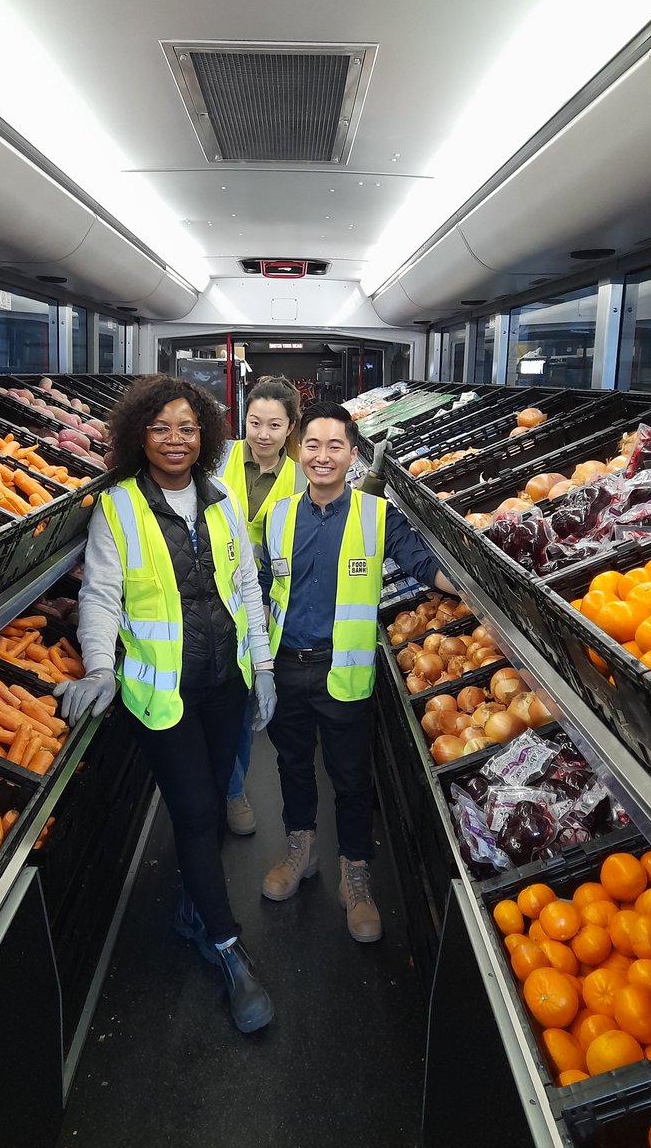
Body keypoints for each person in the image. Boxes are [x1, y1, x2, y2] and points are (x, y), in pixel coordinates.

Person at [55, 375, 275, 1034]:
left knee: (212, 804)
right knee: (197, 810)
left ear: (203, 434)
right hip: (162, 694)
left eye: (187, 427)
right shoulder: (118, 507)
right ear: (139, 436)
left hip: (225, 682)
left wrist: (262, 666)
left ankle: (192, 912)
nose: (175, 440)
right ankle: (229, 950)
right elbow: (100, 595)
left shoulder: (222, 501)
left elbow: (246, 585)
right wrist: (100, 666)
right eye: (160, 428)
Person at [258, 401, 456, 943]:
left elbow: (422, 563)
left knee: (350, 777)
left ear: (351, 454)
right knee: (292, 765)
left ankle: (356, 873)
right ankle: (300, 850)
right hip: (286, 665)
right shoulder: (278, 516)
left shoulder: (377, 515)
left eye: (335, 446)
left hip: (342, 672)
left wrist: (475, 585)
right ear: (299, 451)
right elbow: (262, 585)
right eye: (312, 445)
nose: (322, 456)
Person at [218, 376, 306, 835]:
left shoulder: (300, 476)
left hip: (266, 596)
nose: (263, 434)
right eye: (255, 422)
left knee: (244, 691)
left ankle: (233, 790)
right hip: (212, 585)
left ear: (290, 427)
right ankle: (216, 785)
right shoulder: (219, 456)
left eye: (275, 425)